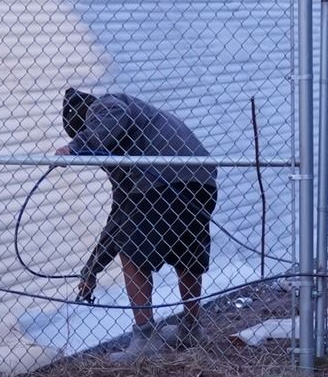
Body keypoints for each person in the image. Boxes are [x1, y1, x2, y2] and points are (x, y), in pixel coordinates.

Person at [60, 88, 218, 357]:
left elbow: (112, 116)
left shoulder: (106, 105)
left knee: (132, 252)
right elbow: (119, 216)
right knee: (186, 254)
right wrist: (92, 269)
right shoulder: (135, 136)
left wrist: (76, 146)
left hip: (158, 181)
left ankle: (146, 340)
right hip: (199, 178)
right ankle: (191, 328)